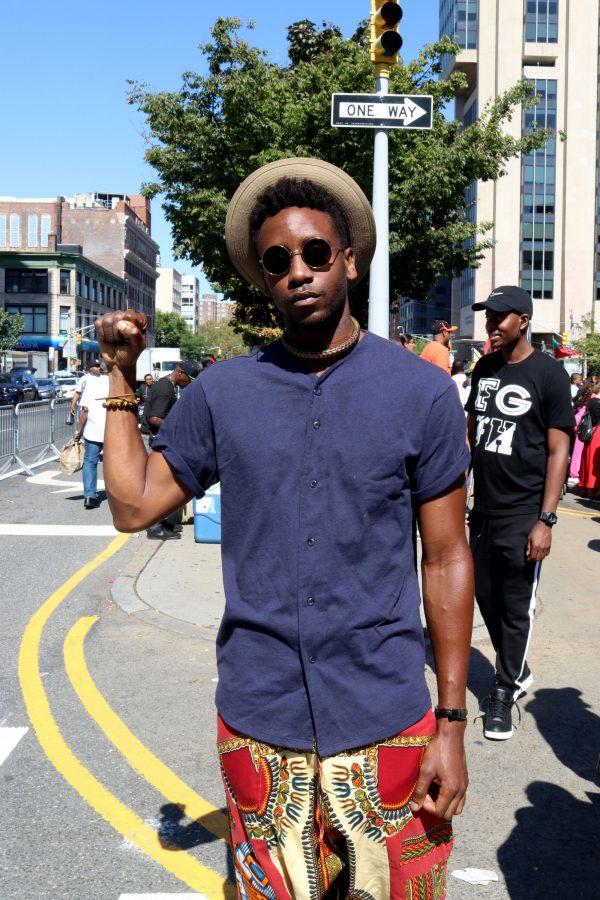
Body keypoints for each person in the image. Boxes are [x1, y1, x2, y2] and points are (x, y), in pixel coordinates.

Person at [96, 157, 473, 899]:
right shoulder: (223, 392)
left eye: (315, 253)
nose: (298, 270)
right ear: (263, 280)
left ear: (350, 261)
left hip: (388, 713)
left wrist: (452, 722)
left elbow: (447, 558)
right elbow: (134, 505)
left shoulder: (421, 393)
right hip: (258, 715)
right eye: (277, 261)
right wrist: (119, 375)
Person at [466, 285, 574, 740]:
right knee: (482, 594)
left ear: (523, 321)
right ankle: (517, 665)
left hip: (523, 511)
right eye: (489, 316)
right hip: (483, 509)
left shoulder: (548, 374)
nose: (492, 324)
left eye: (501, 317)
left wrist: (545, 520)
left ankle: (504, 690)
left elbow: (559, 449)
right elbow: (470, 434)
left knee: (514, 608)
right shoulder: (484, 369)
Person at [140, 360, 201, 540]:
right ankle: (153, 526)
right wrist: (178, 428)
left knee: (160, 484)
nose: (188, 383)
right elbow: (155, 418)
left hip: (159, 439)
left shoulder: (167, 385)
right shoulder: (165, 389)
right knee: (155, 486)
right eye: (188, 378)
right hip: (155, 440)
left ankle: (160, 520)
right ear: (180, 372)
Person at [73, 361, 109, 509]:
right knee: (112, 463)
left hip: (93, 431)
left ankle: (89, 496)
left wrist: (78, 431)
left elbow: (85, 412)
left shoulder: (88, 385)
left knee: (90, 462)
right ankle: (118, 494)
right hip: (111, 432)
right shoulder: (110, 382)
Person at [578, 376, 600, 499]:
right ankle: (593, 489)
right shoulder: (598, 403)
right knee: (595, 462)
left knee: (587, 459)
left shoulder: (591, 401)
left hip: (591, 431)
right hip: (599, 433)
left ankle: (585, 488)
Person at [68, 359, 102, 424]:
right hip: (86, 410)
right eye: (96, 366)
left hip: (99, 410)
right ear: (91, 368)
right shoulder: (84, 378)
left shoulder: (103, 378)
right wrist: (72, 406)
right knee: (84, 429)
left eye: (99, 366)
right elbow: (77, 393)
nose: (99, 368)